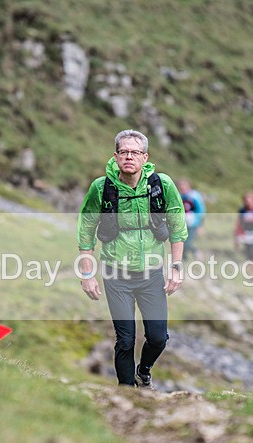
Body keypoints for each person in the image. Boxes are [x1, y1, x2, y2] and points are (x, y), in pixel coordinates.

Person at [77, 129, 187, 389]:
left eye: (135, 152)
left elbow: (177, 227)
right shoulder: (101, 188)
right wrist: (87, 274)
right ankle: (127, 393)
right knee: (125, 340)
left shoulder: (162, 185)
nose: (129, 156)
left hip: (151, 273)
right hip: (116, 274)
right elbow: (86, 230)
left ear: (145, 157)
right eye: (124, 152)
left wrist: (176, 268)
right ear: (115, 156)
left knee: (158, 338)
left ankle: (144, 371)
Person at [177, 179, 206, 260]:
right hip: (182, 224)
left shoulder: (195, 196)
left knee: (187, 242)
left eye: (183, 186)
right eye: (180, 186)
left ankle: (196, 252)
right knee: (181, 242)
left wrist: (200, 225)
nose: (182, 188)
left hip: (193, 223)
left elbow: (201, 210)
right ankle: (183, 259)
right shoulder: (179, 195)